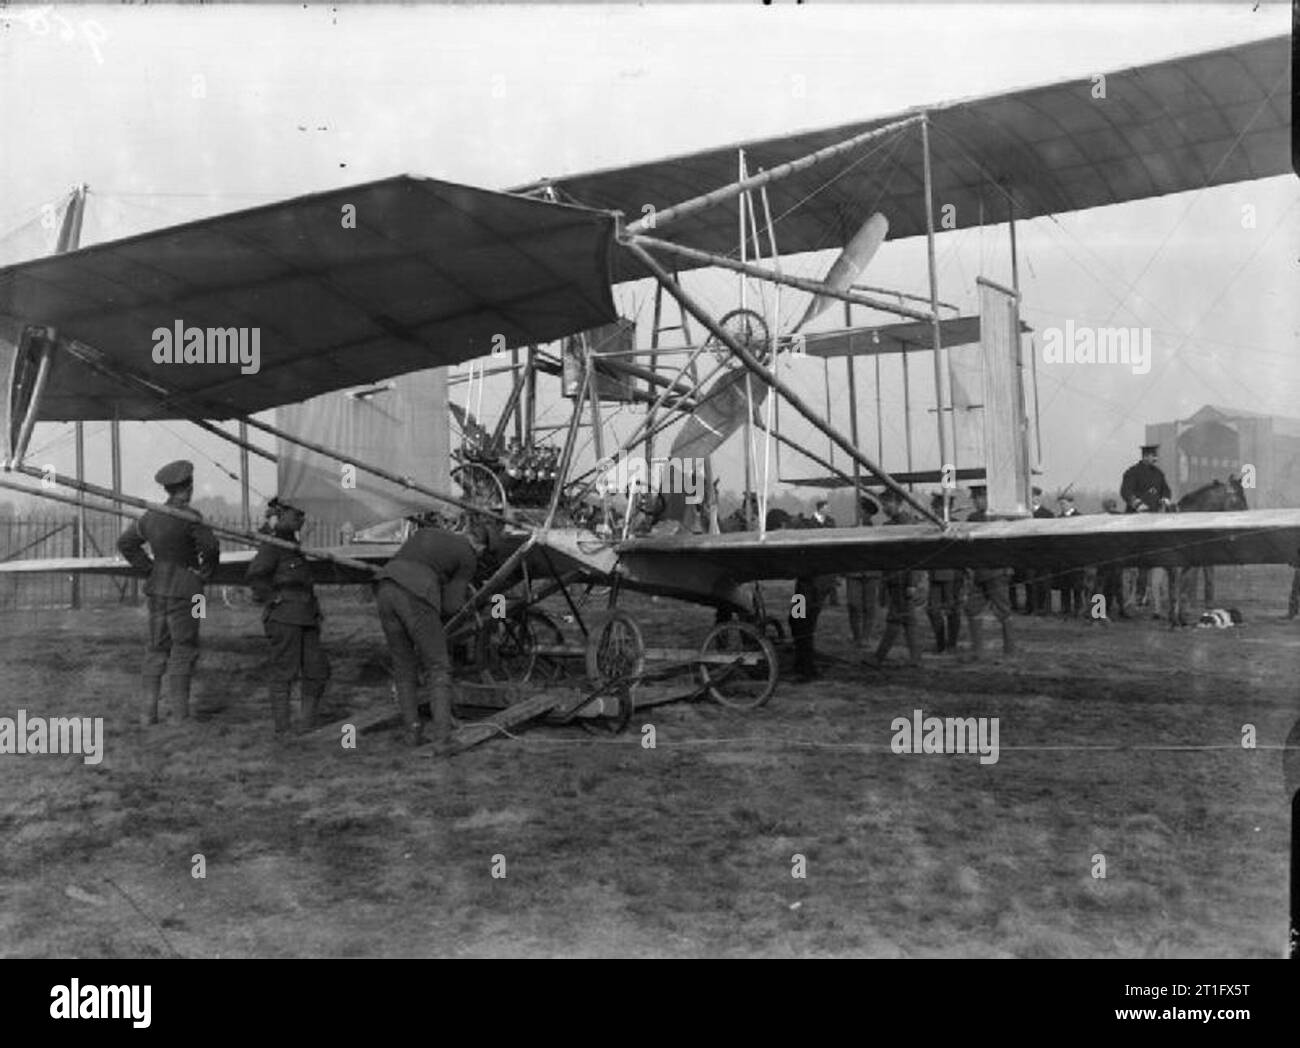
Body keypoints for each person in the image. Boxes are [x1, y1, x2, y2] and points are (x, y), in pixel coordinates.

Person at [117, 460, 221, 725]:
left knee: (155, 648)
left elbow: (126, 543)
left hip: (157, 591)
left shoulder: (151, 516)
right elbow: (210, 548)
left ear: (168, 489)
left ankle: (147, 714)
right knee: (185, 647)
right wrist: (205, 574)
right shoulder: (191, 517)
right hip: (191, 593)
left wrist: (150, 569)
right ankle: (179, 716)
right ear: (187, 487)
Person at [374, 514, 478, 749]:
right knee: (438, 665)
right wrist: (470, 611)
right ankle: (443, 737)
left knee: (403, 666)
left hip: (384, 588)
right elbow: (452, 606)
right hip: (416, 593)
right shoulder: (468, 555)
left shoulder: (427, 534)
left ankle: (413, 732)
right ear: (479, 545)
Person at [246, 498, 329, 735]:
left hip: (307, 616)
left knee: (317, 670)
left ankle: (306, 725)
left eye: (303, 515)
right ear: (281, 514)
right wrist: (274, 599)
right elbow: (255, 575)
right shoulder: (273, 543)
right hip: (285, 618)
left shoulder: (293, 542)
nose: (301, 519)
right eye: (296, 514)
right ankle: (283, 729)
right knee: (284, 672)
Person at [870, 488, 925, 668]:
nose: (885, 507)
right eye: (883, 504)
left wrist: (913, 583)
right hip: (894, 580)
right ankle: (914, 659)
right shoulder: (889, 525)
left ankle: (879, 658)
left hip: (904, 581)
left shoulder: (908, 524)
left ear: (899, 503)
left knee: (897, 619)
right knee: (906, 620)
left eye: (887, 503)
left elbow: (916, 557)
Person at [962, 484, 1015, 658]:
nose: (976, 502)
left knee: (1003, 611)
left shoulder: (1001, 519)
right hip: (979, 572)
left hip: (997, 572)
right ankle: (977, 650)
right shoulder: (972, 518)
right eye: (975, 499)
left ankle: (1009, 650)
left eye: (978, 498)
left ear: (986, 498)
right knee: (972, 609)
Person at [926, 491, 963, 652]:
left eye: (939, 507)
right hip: (935, 574)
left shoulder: (956, 525)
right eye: (935, 508)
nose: (936, 511)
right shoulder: (931, 527)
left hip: (953, 574)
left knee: (952, 610)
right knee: (933, 610)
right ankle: (941, 642)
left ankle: (952, 644)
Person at [844, 493, 881, 647]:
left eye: (860, 510)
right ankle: (857, 636)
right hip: (854, 573)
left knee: (869, 607)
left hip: (871, 574)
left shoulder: (876, 531)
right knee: (853, 605)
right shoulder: (850, 530)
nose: (858, 513)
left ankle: (865, 637)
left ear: (866, 513)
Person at [1055, 493, 1087, 618]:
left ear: (1071, 503)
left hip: (1077, 557)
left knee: (1078, 585)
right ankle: (1065, 609)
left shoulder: (1080, 518)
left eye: (1064, 503)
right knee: (1064, 585)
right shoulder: (1058, 519)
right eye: (1061, 504)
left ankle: (1079, 608)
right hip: (1063, 558)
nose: (1062, 506)